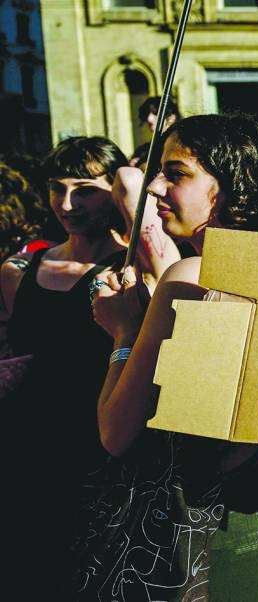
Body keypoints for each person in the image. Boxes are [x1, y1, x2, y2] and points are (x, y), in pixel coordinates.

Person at [84, 115, 258, 601]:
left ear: (230, 186)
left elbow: (115, 432)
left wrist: (124, 332)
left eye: (177, 172)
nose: (154, 187)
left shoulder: (189, 275)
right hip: (256, 512)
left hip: (180, 527)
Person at [0, 137, 150, 594]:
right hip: (23, 453)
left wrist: (129, 187)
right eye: (57, 188)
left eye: (85, 189)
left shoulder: (131, 274)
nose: (67, 204)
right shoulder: (18, 270)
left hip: (96, 455)